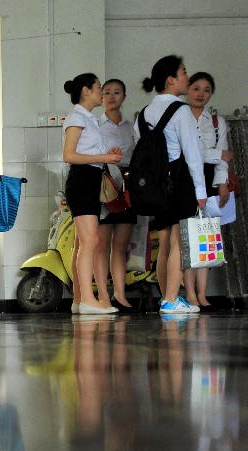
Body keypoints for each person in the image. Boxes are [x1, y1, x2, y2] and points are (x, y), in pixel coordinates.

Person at [134, 55, 207, 315]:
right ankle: (172, 298)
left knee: (164, 244)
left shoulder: (143, 114)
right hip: (178, 180)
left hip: (155, 185)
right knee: (178, 242)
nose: (188, 77)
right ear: (171, 80)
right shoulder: (181, 110)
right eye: (184, 72)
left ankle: (168, 296)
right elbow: (192, 154)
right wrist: (200, 191)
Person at [62, 72, 123, 315]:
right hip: (82, 179)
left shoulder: (88, 118)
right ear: (86, 90)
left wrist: (108, 156)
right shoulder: (77, 117)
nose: (103, 92)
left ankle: (79, 298)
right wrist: (105, 157)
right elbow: (69, 155)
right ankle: (88, 298)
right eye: (99, 87)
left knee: (82, 243)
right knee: (91, 241)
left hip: (89, 178)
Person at [183, 72, 231, 312]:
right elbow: (186, 153)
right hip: (185, 178)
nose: (201, 94)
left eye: (206, 90)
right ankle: (189, 293)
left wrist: (223, 182)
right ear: (187, 89)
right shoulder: (180, 117)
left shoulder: (216, 121)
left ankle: (202, 294)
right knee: (187, 237)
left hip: (210, 178)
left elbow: (224, 155)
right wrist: (216, 155)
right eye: (196, 88)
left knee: (207, 237)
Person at [97, 79, 138, 313]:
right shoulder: (95, 125)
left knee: (121, 245)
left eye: (117, 92)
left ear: (124, 96)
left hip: (127, 186)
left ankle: (120, 295)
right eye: (107, 93)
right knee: (101, 244)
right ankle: (103, 295)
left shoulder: (131, 127)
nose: (112, 96)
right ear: (101, 97)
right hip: (104, 186)